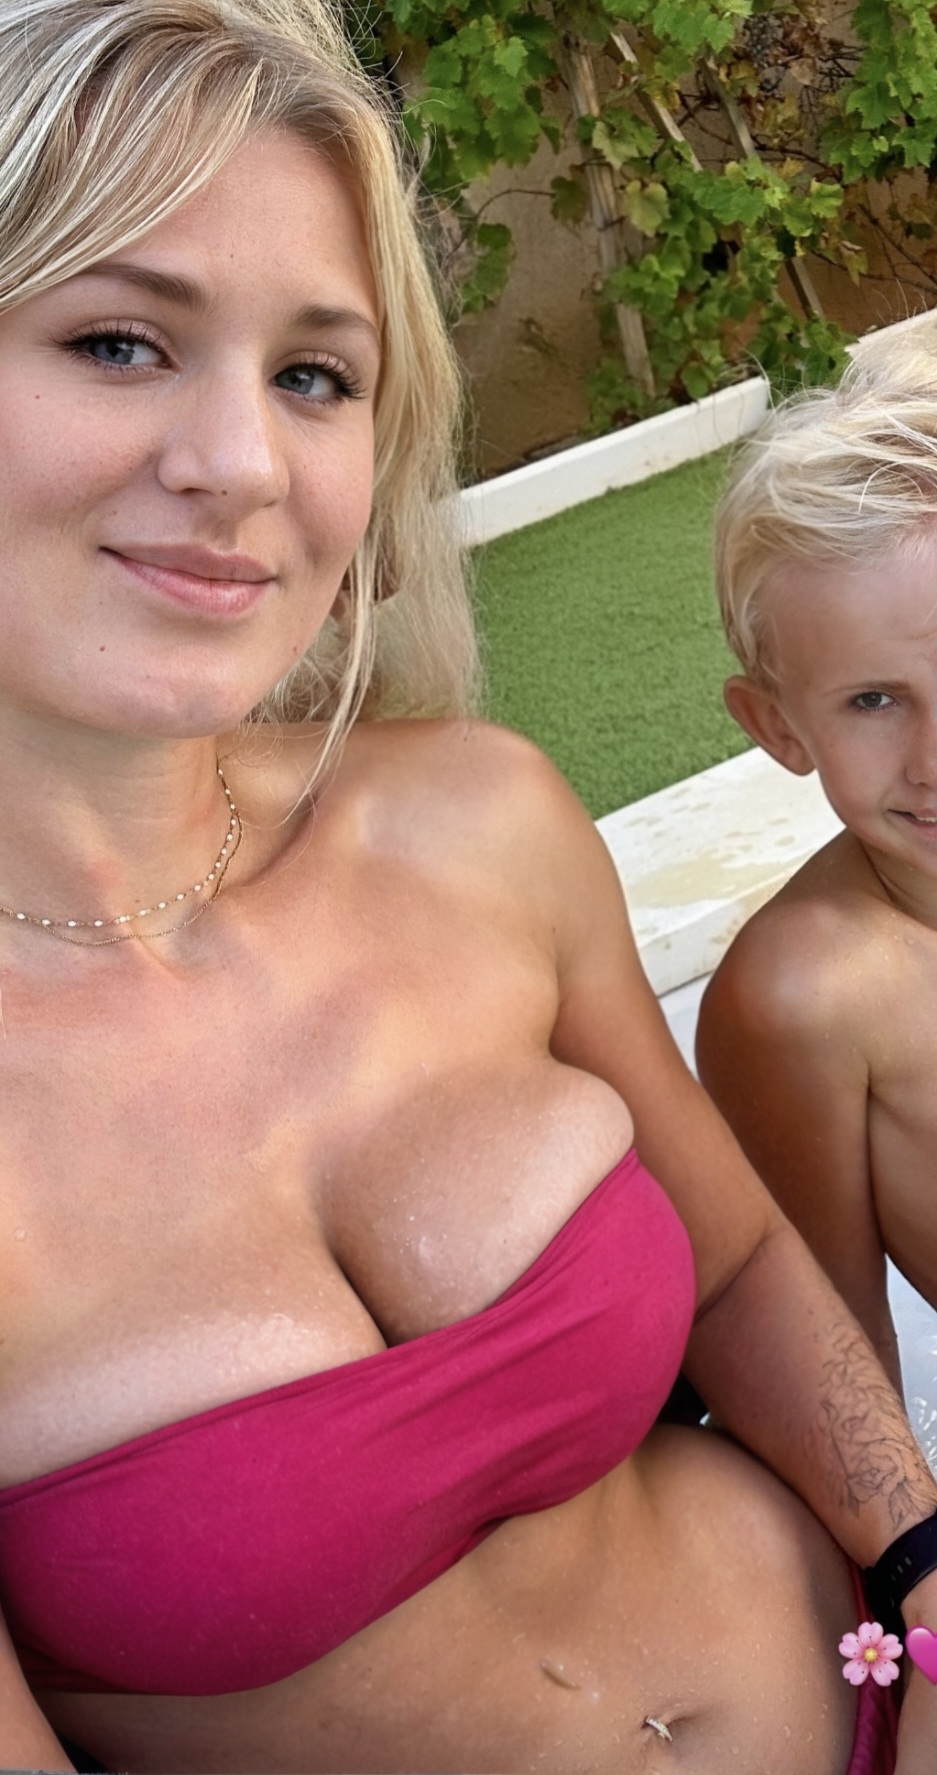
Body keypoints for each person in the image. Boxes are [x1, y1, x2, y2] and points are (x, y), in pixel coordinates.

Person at [0, 6, 935, 1773]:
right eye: (118, 341)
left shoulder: (474, 818)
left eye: (314, 375)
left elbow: (738, 1261)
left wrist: (923, 1567)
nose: (240, 464)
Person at [697, 327, 937, 1398]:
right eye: (872, 700)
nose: (931, 758)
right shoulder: (802, 998)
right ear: (777, 725)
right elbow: (829, 1353)